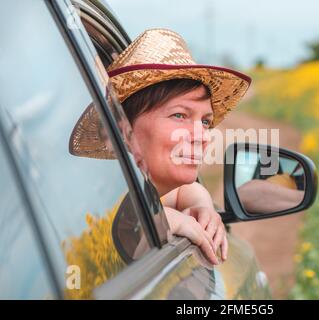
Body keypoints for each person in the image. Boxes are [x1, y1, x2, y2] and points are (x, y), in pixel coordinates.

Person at [69, 28, 251, 266]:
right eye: (179, 115)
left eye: (205, 122)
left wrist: (201, 206)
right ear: (121, 133)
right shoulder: (95, 207)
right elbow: (125, 229)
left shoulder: (145, 190)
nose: (203, 137)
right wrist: (155, 220)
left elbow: (186, 190)